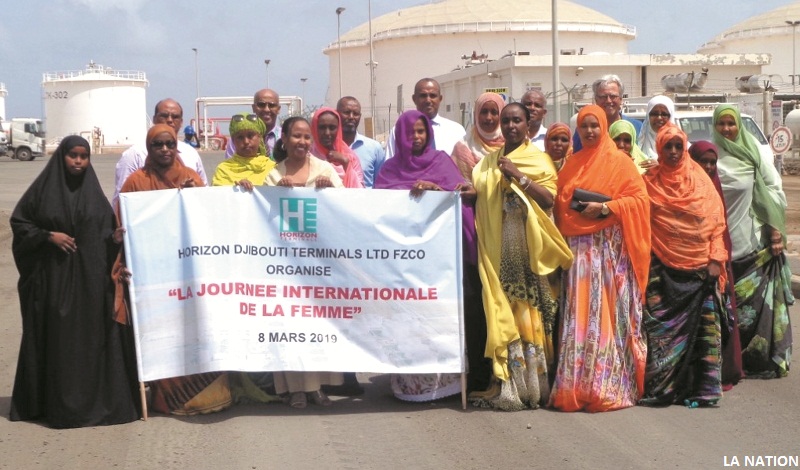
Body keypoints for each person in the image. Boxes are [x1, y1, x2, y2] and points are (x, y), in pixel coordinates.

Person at [10, 136, 140, 428]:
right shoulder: (42, 192)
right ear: (62, 158)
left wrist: (115, 239)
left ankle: (97, 405)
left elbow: (105, 236)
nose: (79, 161)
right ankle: (59, 406)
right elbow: (20, 223)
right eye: (73, 156)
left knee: (92, 341)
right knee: (60, 341)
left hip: (92, 285)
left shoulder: (94, 195)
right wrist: (47, 236)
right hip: (54, 283)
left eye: (84, 156)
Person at [120, 125, 232, 415]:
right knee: (164, 334)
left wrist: (194, 197)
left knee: (194, 330)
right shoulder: (136, 182)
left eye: (170, 144)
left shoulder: (190, 177)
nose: (165, 150)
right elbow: (123, 224)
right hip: (155, 273)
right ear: (149, 148)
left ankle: (207, 396)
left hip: (188, 269)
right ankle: (166, 398)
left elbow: (208, 221)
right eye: (158, 145)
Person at [469, 103, 573, 411]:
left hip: (531, 253)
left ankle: (535, 387)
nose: (511, 125)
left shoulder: (538, 160)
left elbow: (549, 200)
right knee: (505, 315)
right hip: (499, 251)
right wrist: (471, 192)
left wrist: (518, 177)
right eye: (506, 121)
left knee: (534, 316)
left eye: (517, 120)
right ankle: (509, 385)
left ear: (528, 125)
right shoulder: (489, 162)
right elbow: (482, 195)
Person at [374, 109, 481, 400]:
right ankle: (410, 386)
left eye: (421, 131)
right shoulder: (389, 169)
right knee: (409, 318)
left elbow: (461, 193)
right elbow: (379, 208)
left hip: (437, 260)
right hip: (404, 263)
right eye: (411, 132)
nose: (417, 137)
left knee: (439, 315)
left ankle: (447, 384)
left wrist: (440, 193)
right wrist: (412, 191)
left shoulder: (440, 162)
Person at [550, 104, 651, 412]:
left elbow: (639, 200)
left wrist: (606, 209)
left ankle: (609, 384)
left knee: (610, 318)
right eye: (585, 126)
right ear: (578, 130)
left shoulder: (620, 162)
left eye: (595, 125)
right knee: (582, 317)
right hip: (580, 254)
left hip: (611, 253)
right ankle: (576, 385)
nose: (590, 131)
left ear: (604, 126)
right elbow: (561, 202)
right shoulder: (572, 163)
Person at [640, 126, 728, 407]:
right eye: (669, 147)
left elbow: (717, 223)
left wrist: (716, 259)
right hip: (662, 269)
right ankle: (662, 390)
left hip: (702, 270)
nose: (675, 152)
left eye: (679, 146)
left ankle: (703, 391)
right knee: (662, 333)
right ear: (659, 148)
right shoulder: (648, 182)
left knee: (705, 333)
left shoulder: (701, 181)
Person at [265, 116, 345, 408]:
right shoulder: (273, 175)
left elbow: (346, 210)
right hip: (285, 265)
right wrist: (274, 194)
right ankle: (294, 389)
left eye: (306, 137)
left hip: (318, 265)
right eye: (295, 136)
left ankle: (316, 388)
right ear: (283, 139)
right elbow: (260, 216)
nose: (302, 142)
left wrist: (330, 190)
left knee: (317, 325)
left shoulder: (325, 170)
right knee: (288, 325)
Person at [712, 104, 794, 378]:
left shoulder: (755, 154)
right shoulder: (710, 157)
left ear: (738, 126)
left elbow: (774, 190)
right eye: (721, 124)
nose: (726, 129)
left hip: (752, 243)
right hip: (719, 245)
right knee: (724, 306)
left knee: (757, 307)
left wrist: (774, 231)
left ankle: (757, 358)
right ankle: (727, 359)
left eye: (731, 123)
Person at [688, 140, 744, 389]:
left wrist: (716, 259)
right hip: (685, 263)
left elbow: (719, 228)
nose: (709, 167)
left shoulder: (714, 188)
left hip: (713, 262)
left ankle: (715, 373)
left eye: (713, 162)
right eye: (704, 161)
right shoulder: (683, 185)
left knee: (714, 321)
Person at [114, 98, 208, 206]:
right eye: (164, 116)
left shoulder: (191, 156)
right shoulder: (134, 156)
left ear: (181, 122)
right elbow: (122, 203)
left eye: (175, 117)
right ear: (154, 119)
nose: (169, 120)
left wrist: (193, 191)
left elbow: (204, 197)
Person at [386, 78, 466, 158]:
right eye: (423, 96)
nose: (428, 100)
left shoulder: (457, 131)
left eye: (433, 96)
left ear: (440, 99)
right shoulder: (400, 131)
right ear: (414, 99)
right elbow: (390, 165)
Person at [572, 75, 642, 153]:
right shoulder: (586, 130)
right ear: (596, 100)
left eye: (613, 96)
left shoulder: (637, 127)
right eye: (603, 97)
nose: (608, 101)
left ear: (621, 99)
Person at [212, 113, 276, 188]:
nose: (246, 141)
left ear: (260, 138)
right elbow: (218, 196)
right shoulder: (223, 170)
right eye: (240, 137)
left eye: (250, 136)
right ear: (233, 140)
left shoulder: (271, 168)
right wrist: (237, 189)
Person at [451, 92, 505, 180]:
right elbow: (455, 182)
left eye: (494, 112)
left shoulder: (511, 144)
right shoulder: (463, 147)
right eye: (484, 112)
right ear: (476, 114)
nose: (488, 117)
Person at [337, 96, 385, 188]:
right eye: (346, 112)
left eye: (355, 114)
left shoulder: (374, 148)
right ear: (337, 114)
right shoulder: (329, 147)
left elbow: (380, 185)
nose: (351, 117)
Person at [310, 107, 365, 188]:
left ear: (338, 129)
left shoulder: (350, 157)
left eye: (332, 128)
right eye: (322, 127)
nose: (327, 133)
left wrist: (345, 163)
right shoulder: (307, 156)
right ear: (315, 128)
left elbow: (361, 192)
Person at [225, 88, 282, 159]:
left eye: (271, 105)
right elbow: (231, 166)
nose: (266, 109)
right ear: (253, 108)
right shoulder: (239, 138)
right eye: (261, 105)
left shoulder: (285, 137)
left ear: (278, 109)